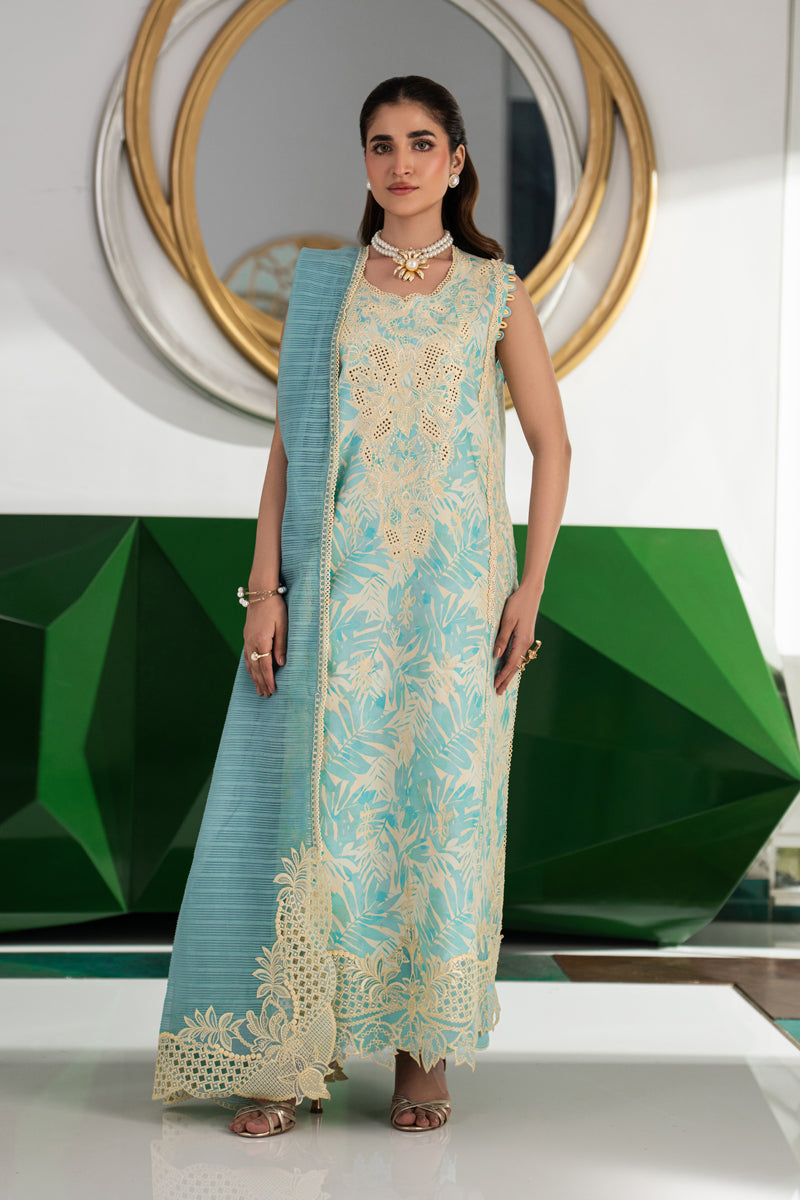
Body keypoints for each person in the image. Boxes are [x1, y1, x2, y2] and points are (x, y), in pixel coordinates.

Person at [152, 74, 571, 1136]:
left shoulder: (494, 291)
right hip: (343, 598)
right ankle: (288, 1052)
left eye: (421, 142)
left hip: (455, 602)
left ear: (457, 161)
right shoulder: (327, 290)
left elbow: (551, 443)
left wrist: (528, 587)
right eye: (381, 144)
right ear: (366, 163)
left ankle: (422, 1053)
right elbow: (288, 452)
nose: (400, 162)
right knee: (327, 824)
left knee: (439, 817)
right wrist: (265, 592)